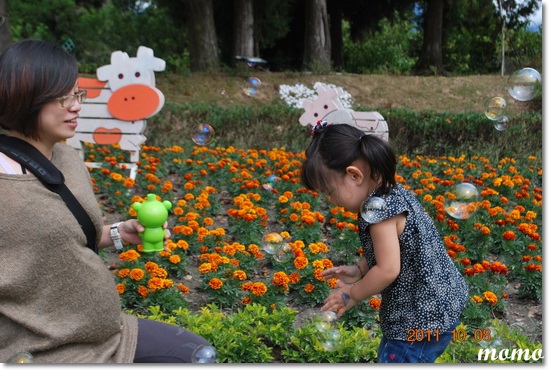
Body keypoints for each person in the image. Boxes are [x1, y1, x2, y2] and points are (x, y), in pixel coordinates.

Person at [0, 39, 213, 363]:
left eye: (77, 94)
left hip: (105, 332)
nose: (76, 106)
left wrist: (118, 233)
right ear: (26, 98)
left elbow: (63, 236)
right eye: (62, 97)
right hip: (39, 350)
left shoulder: (67, 157)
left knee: (201, 355)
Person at [301, 121, 468, 363]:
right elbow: (392, 250)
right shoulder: (390, 192)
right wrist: (359, 269)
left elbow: (388, 269)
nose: (331, 201)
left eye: (330, 192)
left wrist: (352, 294)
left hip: (419, 319)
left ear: (354, 175)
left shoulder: (379, 212)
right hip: (438, 305)